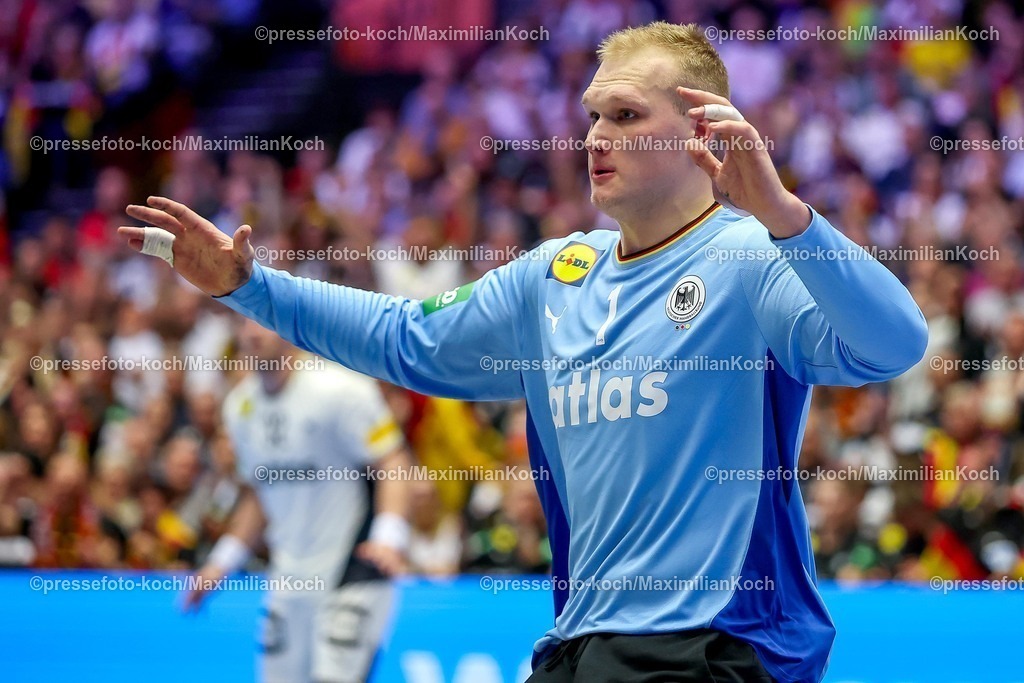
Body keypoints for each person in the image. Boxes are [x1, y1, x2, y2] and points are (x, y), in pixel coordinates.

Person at [121, 21, 928, 683]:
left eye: (626, 116)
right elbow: (406, 337)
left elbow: (894, 343)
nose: (597, 138)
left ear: (703, 131)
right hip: (581, 646)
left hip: (716, 648)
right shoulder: (552, 277)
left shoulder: (755, 257)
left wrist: (785, 211)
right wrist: (249, 285)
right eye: (592, 117)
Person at [182, 319, 411, 683]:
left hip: (353, 573)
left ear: (290, 326)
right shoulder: (239, 408)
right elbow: (259, 495)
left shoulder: (341, 389)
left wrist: (388, 537)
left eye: (263, 322)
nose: (252, 332)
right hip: (290, 581)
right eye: (243, 323)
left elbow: (393, 460)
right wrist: (219, 564)